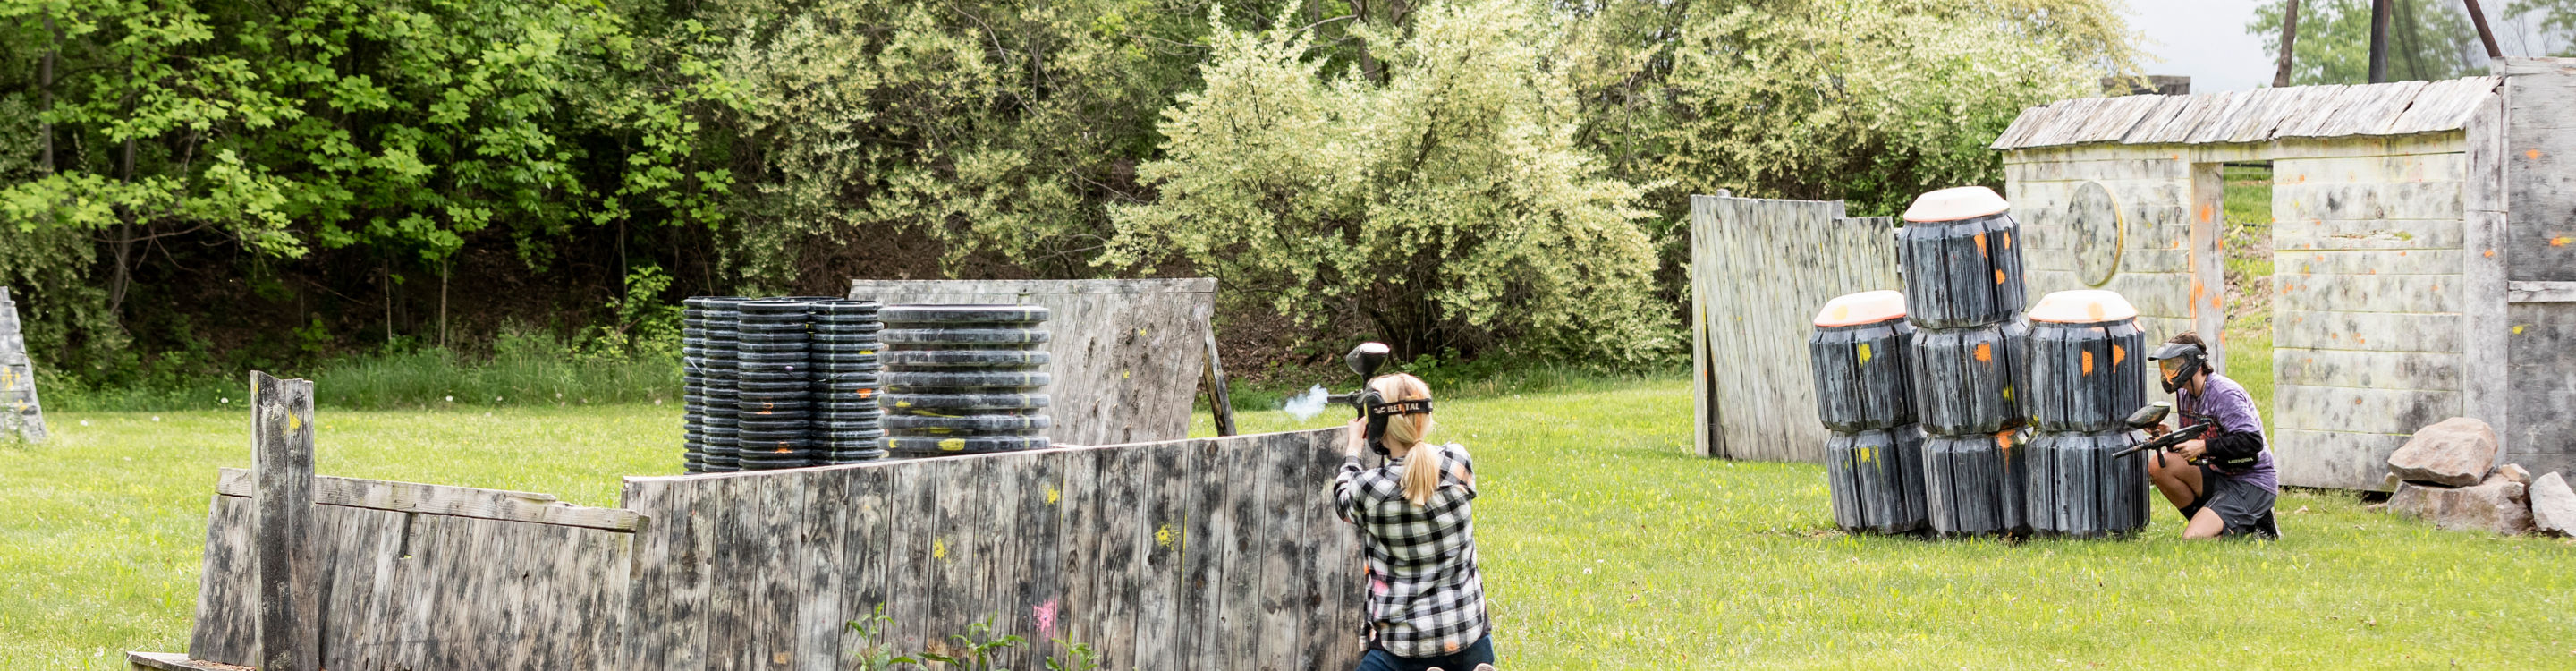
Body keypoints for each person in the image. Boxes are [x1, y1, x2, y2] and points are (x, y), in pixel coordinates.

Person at [1332, 373, 1496, 671]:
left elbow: (1343, 500)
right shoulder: (1457, 461)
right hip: (1470, 636)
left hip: (1405, 648)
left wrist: (1353, 448)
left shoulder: (1369, 488)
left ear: (1379, 424)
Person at [2142, 332, 2282, 539]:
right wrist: (2169, 437)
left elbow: (2252, 442)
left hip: (2251, 482)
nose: (2168, 372)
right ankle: (2214, 520)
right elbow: (2194, 449)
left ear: (2195, 363)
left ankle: (2256, 528)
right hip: (2219, 473)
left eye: (2174, 364)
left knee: (2192, 540)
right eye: (2166, 366)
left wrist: (2204, 447)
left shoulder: (2223, 393)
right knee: (2160, 466)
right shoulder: (2185, 393)